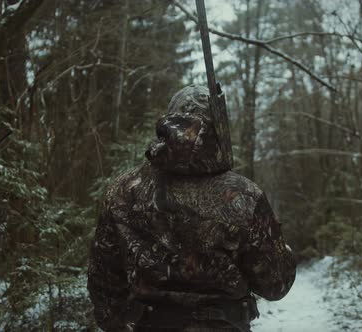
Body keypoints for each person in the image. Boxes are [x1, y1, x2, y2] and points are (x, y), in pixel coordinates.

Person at [88, 85, 296, 332]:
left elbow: (103, 286)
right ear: (218, 125)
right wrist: (283, 251)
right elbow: (276, 285)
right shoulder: (243, 195)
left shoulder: (124, 190)